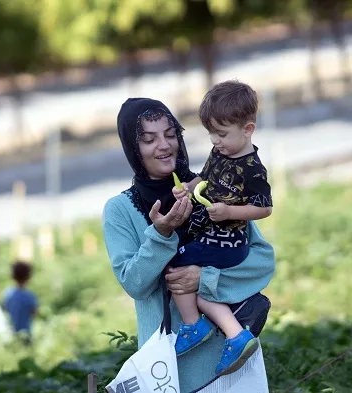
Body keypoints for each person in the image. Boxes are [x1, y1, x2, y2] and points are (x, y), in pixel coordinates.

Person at [102, 98, 274, 392]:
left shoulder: (212, 188)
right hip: (170, 373)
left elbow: (261, 260)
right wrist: (161, 233)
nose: (164, 145)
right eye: (148, 139)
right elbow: (134, 283)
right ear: (133, 148)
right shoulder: (120, 209)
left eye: (170, 134)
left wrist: (204, 278)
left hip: (234, 363)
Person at [169, 80, 274, 376]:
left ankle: (193, 326)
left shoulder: (253, 168)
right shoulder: (221, 154)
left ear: (248, 129)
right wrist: (188, 188)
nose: (215, 140)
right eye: (211, 133)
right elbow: (205, 179)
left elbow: (264, 207)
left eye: (222, 133)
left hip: (229, 241)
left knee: (176, 261)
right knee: (203, 292)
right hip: (212, 236)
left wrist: (230, 211)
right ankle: (236, 336)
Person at [3, 261, 38, 345]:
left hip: (10, 331)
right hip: (26, 332)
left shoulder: (8, 293)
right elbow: (34, 311)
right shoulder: (29, 295)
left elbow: (5, 308)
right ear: (28, 276)